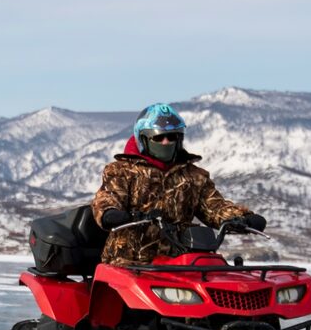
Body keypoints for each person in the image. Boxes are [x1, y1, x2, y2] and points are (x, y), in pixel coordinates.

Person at [90, 103, 265, 266]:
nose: (166, 142)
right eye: (159, 138)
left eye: (171, 137)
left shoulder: (194, 176)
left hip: (180, 260)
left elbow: (214, 206)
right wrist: (111, 213)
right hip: (129, 261)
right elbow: (108, 197)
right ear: (144, 139)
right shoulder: (122, 171)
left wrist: (241, 218)